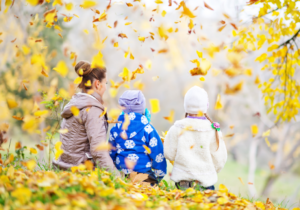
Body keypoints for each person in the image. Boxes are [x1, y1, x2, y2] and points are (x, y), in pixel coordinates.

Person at [52, 61, 120, 177]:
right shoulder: (92, 110)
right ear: (98, 84)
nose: (105, 87)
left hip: (61, 168)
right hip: (81, 173)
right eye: (106, 83)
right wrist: (117, 178)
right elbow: (98, 151)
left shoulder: (76, 103)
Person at [164, 86, 227, 190]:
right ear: (206, 106)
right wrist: (209, 171)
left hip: (182, 183)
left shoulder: (176, 128)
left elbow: (169, 153)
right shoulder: (213, 130)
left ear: (186, 106)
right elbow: (220, 159)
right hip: (206, 183)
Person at [109, 90, 167, 185]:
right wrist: (159, 174)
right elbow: (158, 154)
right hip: (144, 176)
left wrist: (113, 171)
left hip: (122, 176)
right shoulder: (148, 129)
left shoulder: (116, 129)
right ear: (142, 108)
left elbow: (111, 153)